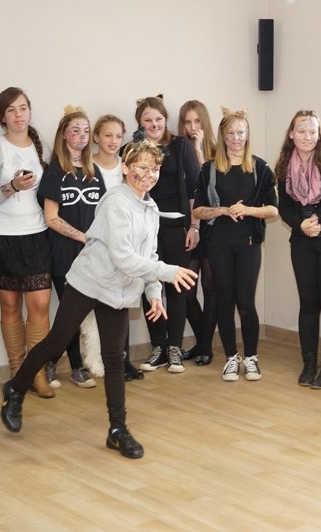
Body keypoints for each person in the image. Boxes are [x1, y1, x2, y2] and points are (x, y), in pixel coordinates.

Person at [0, 136, 198, 458]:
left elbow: (149, 255)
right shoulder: (115, 201)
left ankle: (117, 430)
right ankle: (16, 388)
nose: (148, 175)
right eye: (141, 168)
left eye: (154, 169)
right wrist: (169, 272)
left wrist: (154, 292)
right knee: (56, 342)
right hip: (89, 281)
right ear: (126, 168)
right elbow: (123, 257)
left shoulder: (150, 208)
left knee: (114, 357)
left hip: (118, 291)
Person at [193, 107, 278, 381]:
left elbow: (273, 210)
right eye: (230, 133)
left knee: (246, 303)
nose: (236, 138)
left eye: (241, 133)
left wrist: (248, 210)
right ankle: (231, 357)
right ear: (223, 136)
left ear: (248, 134)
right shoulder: (209, 169)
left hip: (248, 243)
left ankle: (251, 358)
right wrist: (222, 210)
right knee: (224, 301)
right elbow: (198, 211)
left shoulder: (260, 168)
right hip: (218, 243)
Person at [0, 87, 54, 399]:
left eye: (22, 108)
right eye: (11, 110)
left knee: (40, 305)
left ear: (30, 111)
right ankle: (17, 374)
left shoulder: (42, 147)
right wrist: (11, 186)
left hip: (36, 234)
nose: (18, 115)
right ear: (2, 117)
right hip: (0, 235)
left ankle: (36, 373)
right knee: (10, 307)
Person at [277, 110, 321, 388]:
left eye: (312, 132)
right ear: (291, 134)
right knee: (308, 304)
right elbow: (283, 206)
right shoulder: (284, 165)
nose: (307, 137)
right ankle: (309, 364)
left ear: (319, 135)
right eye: (302, 131)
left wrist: (317, 218)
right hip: (302, 240)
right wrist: (301, 224)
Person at [131, 95, 200, 374]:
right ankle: (158, 346)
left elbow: (195, 188)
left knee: (176, 286)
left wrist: (194, 226)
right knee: (149, 284)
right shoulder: (132, 150)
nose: (154, 124)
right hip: (144, 228)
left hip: (176, 226)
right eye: (147, 120)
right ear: (139, 123)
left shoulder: (181, 146)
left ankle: (174, 348)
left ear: (165, 119)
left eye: (158, 119)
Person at [39, 106, 105, 388]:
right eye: (75, 130)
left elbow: (104, 213)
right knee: (71, 313)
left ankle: (59, 362)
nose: (81, 136)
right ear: (63, 135)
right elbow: (51, 218)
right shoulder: (55, 172)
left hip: (92, 256)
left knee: (83, 311)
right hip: (64, 253)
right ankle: (68, 365)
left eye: (86, 131)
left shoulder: (94, 171)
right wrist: (81, 237)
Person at [92, 114, 143, 381]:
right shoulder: (87, 167)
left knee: (123, 303)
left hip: (124, 244)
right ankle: (96, 362)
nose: (113, 141)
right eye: (108, 135)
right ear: (96, 137)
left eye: (118, 136)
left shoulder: (127, 166)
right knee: (97, 308)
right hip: (98, 245)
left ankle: (123, 360)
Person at [178, 99, 217, 366]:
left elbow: (208, 186)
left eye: (197, 121)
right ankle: (204, 343)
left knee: (211, 288)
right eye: (187, 122)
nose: (192, 127)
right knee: (187, 291)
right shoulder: (178, 151)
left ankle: (204, 347)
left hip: (212, 229)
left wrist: (199, 150)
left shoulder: (216, 150)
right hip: (190, 227)